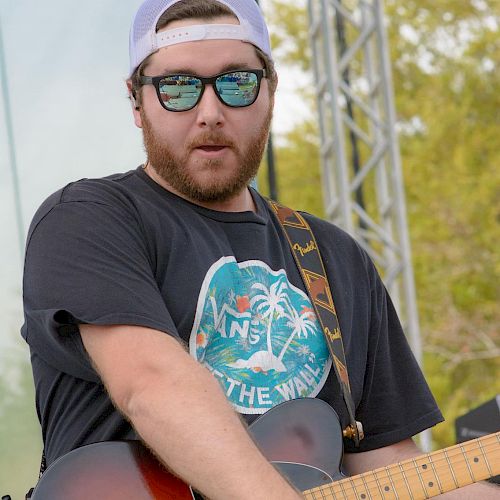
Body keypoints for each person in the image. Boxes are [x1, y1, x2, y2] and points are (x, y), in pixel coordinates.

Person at [21, 0, 498, 498]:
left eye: (236, 83)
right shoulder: (89, 217)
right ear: (137, 103)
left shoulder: (336, 258)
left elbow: (387, 464)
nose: (210, 113)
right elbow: (151, 384)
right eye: (178, 87)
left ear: (269, 91)